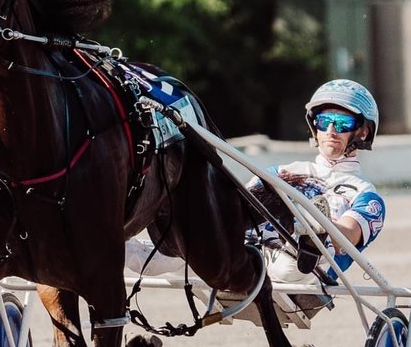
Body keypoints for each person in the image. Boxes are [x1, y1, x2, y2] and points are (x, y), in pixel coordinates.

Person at [125, 79, 386, 283]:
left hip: (299, 266)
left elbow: (348, 236)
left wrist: (318, 225)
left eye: (342, 123)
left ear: (363, 131)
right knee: (141, 258)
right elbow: (235, 211)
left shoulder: (365, 193)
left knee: (287, 268)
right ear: (314, 125)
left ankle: (308, 237)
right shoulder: (281, 171)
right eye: (324, 121)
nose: (330, 131)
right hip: (237, 249)